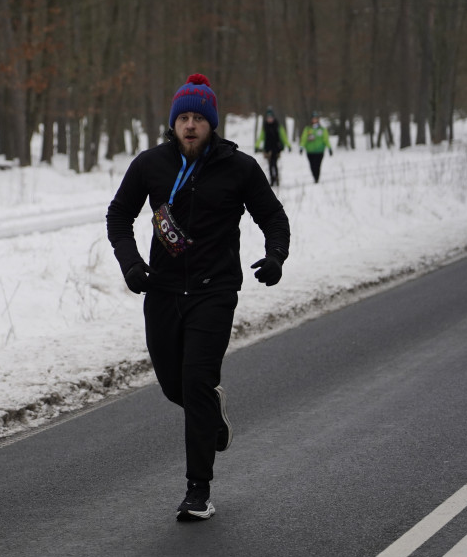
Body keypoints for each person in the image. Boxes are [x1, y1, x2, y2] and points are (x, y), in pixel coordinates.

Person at [105, 74, 291, 521]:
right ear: (173, 123)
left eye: (198, 118)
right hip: (163, 291)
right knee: (175, 385)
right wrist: (131, 265)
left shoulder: (239, 167)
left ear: (211, 123)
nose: (190, 125)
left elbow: (273, 217)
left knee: (194, 379)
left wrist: (275, 257)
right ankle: (210, 409)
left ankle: (197, 491)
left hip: (215, 291)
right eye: (183, 118)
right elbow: (118, 217)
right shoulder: (151, 164)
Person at [254, 107, 290, 187]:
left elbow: (283, 137)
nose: (269, 119)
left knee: (274, 164)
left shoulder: (278, 126)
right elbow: (261, 137)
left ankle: (276, 179)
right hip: (268, 149)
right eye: (268, 118)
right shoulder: (265, 127)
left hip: (276, 149)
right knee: (270, 165)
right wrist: (257, 146)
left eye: (271, 117)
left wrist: (288, 145)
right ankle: (272, 179)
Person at [299, 112, 333, 183]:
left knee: (317, 165)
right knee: (312, 165)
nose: (314, 120)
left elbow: (326, 139)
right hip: (310, 151)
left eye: (316, 119)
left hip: (319, 151)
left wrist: (329, 148)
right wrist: (302, 147)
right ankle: (314, 176)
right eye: (313, 119)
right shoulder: (307, 129)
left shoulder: (322, 129)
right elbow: (304, 138)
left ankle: (317, 178)